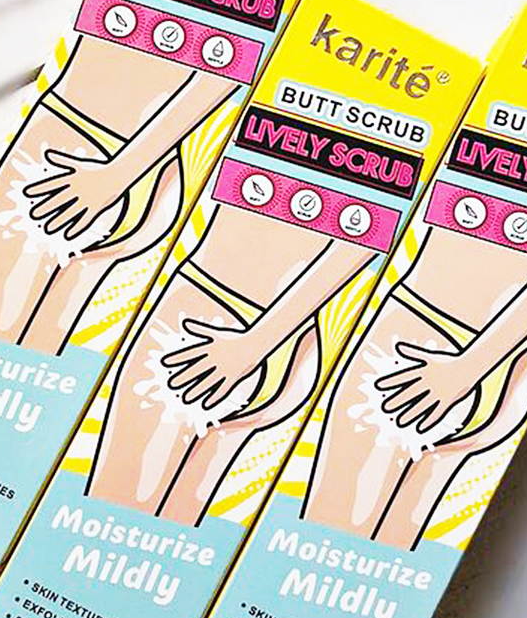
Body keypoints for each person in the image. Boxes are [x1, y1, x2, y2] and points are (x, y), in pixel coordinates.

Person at [84, 202, 376, 526]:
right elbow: (373, 223)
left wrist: (252, 345)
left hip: (208, 306)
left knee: (111, 517)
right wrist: (259, 341)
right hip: (298, 331)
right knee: (174, 535)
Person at [302, 223, 527, 550]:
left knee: (325, 543)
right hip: (510, 356)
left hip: (418, 332)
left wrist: (465, 369)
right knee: (390, 558)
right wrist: (472, 365)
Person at [0, 35, 238, 353]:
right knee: (35, 362)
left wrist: (115, 175)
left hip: (73, 139)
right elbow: (238, 55)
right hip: (159, 166)